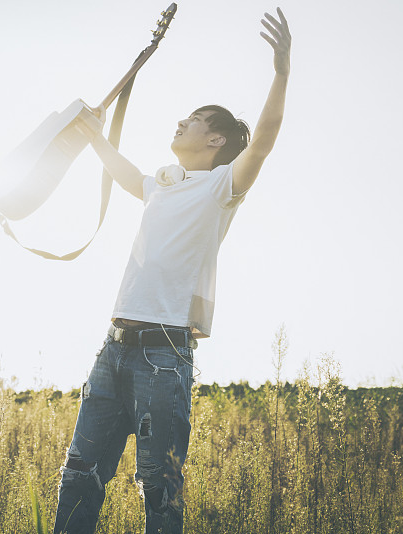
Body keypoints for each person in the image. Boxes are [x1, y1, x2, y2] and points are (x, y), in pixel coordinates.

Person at [52, 7, 291, 534]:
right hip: (113, 347)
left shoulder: (222, 188)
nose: (181, 121)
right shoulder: (163, 184)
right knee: (78, 477)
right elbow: (124, 173)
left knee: (159, 489)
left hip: (164, 354)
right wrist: (93, 136)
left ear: (216, 142)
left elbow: (267, 137)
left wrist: (281, 70)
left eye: (195, 120)